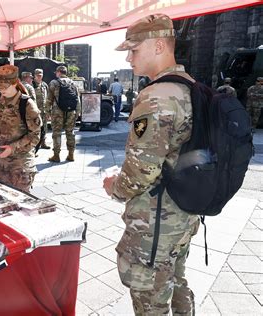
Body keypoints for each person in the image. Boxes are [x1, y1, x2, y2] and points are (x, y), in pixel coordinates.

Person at [103, 14, 200, 315]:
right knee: (177, 278)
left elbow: (140, 173)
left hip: (156, 223)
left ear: (159, 46)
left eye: (134, 49)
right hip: (184, 213)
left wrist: (114, 187)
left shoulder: (156, 96)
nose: (129, 57)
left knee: (149, 299)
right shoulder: (190, 86)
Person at [0, 65, 42, 193]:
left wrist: (12, 148)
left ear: (15, 83)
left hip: (20, 166)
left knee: (21, 206)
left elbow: (35, 135)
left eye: (5, 86)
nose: (1, 89)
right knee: (0, 201)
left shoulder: (26, 104)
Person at [45, 65, 81, 163]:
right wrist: (78, 112)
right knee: (70, 132)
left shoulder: (54, 83)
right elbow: (77, 98)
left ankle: (56, 156)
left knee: (57, 133)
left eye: (56, 72)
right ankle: (71, 155)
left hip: (57, 111)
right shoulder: (73, 83)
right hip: (71, 111)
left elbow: (49, 99)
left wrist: (47, 111)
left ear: (59, 72)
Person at [33, 68, 51, 154]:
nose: (39, 77)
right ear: (35, 75)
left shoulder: (44, 85)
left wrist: (49, 110)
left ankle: (43, 142)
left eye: (40, 75)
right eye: (38, 75)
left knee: (44, 127)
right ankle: (34, 146)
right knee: (36, 128)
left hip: (44, 111)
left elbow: (48, 98)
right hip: (36, 111)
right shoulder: (32, 85)